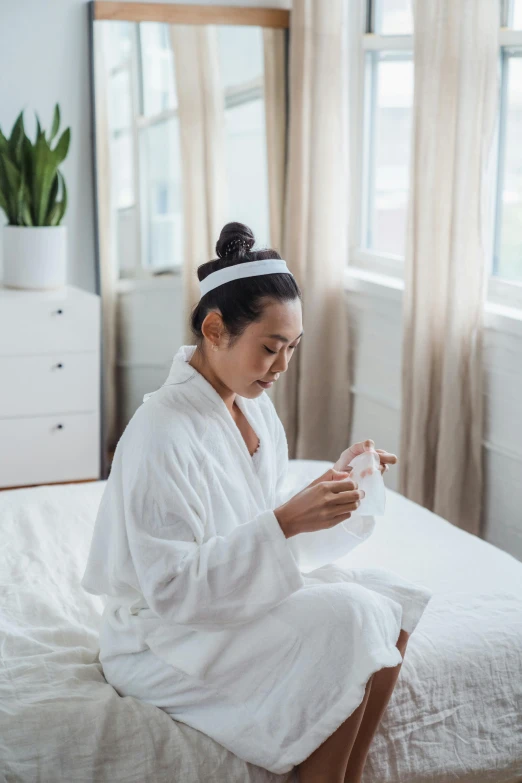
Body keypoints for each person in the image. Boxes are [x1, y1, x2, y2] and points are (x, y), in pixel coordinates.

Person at [81, 222, 433, 783]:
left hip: (230, 596)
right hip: (163, 637)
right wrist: (284, 521)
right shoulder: (160, 431)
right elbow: (172, 589)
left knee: (391, 605)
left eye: (293, 348)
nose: (283, 367)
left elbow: (254, 519)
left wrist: (338, 481)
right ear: (215, 329)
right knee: (353, 617)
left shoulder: (254, 408)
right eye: (270, 348)